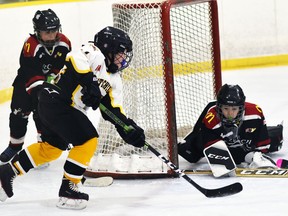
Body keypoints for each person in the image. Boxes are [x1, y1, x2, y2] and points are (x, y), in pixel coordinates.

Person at [0, 26, 145, 210]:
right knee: (88, 140)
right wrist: (90, 82)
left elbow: (113, 110)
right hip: (55, 99)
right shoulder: (94, 52)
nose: (123, 59)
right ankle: (68, 189)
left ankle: (6, 172)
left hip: (58, 108)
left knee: (51, 149)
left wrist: (128, 129)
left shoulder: (114, 80)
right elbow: (75, 59)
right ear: (108, 48)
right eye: (120, 53)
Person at [0, 9, 71, 164]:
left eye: (55, 31)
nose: (52, 35)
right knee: (18, 114)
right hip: (25, 84)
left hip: (48, 83)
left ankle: (43, 147)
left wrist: (55, 81)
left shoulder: (64, 43)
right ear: (37, 32)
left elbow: (64, 66)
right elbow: (29, 70)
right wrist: (41, 91)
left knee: (44, 116)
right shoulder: (30, 45)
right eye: (47, 32)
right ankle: (14, 146)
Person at [178, 84, 283, 168]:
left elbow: (263, 145)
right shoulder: (211, 118)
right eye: (226, 108)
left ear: (242, 107)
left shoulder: (255, 113)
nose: (230, 114)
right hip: (219, 141)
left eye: (234, 109)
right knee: (191, 155)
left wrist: (257, 154)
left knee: (275, 141)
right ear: (219, 107)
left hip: (242, 139)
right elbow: (214, 152)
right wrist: (246, 157)